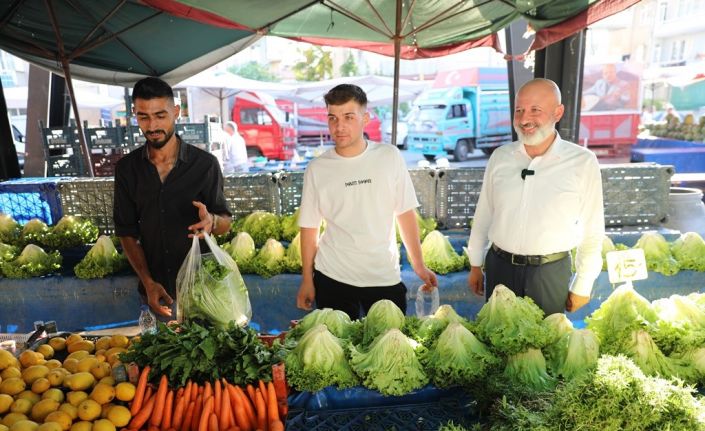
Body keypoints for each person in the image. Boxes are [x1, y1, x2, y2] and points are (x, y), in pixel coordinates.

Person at [296, 84, 438, 320]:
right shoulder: (317, 168)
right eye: (333, 118)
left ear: (365, 118)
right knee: (337, 351)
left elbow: (404, 213)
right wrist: (306, 280)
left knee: (389, 350)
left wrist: (419, 265)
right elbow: (309, 228)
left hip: (384, 276)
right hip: (333, 277)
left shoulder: (389, 156)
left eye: (348, 117)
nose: (339, 126)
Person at [467, 78, 604, 315]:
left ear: (558, 112)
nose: (524, 119)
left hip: (549, 273)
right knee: (496, 343)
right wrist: (475, 263)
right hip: (500, 268)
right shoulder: (500, 157)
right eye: (519, 110)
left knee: (545, 347)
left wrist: (583, 283)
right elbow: (484, 213)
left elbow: (592, 228)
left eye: (535, 110)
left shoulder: (582, 161)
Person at [114, 77, 232, 318]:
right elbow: (126, 232)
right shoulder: (127, 169)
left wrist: (212, 221)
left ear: (176, 112)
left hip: (202, 291)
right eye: (144, 117)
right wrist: (147, 282)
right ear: (135, 115)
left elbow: (225, 222)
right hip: (156, 292)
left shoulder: (204, 164)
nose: (152, 126)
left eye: (160, 115)